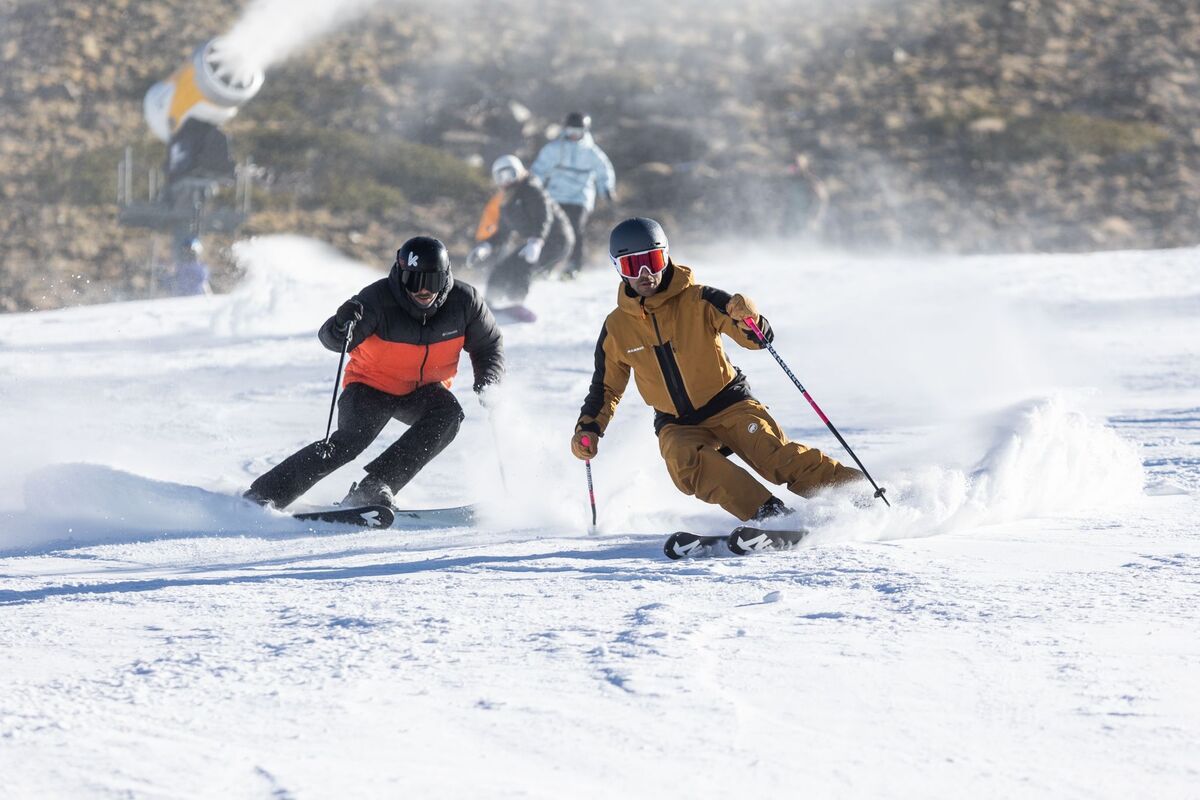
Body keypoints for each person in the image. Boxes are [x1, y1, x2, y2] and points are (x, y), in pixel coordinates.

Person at [570, 218, 862, 521]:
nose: (646, 274)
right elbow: (606, 387)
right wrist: (589, 428)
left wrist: (749, 319)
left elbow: (756, 339)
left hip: (729, 403)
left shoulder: (700, 299)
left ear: (666, 256)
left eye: (653, 261)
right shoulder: (617, 327)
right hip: (677, 422)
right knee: (686, 464)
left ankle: (856, 493)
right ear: (618, 268)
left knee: (774, 456)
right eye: (634, 266)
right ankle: (770, 516)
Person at [245, 236, 504, 510]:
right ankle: (265, 495)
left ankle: (375, 487)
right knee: (348, 443)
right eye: (414, 281)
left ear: (446, 277)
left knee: (448, 415)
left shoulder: (465, 303)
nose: (423, 291)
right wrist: (340, 324)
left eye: (432, 281)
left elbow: (489, 344)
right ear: (400, 275)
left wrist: (490, 380)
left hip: (422, 390)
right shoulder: (377, 300)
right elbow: (333, 341)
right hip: (369, 386)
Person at [469, 155, 574, 306]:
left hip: (556, 240)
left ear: (519, 171)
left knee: (521, 265)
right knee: (502, 269)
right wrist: (486, 246)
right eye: (501, 176)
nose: (506, 180)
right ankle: (490, 302)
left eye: (510, 174)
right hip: (537, 242)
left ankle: (516, 302)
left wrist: (537, 241)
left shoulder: (530, 188)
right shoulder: (506, 201)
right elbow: (504, 231)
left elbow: (544, 216)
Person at [530, 112, 616, 276]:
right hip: (556, 195)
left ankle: (573, 266)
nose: (574, 135)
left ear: (585, 131)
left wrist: (606, 189)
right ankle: (545, 266)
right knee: (552, 230)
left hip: (580, 197)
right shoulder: (554, 149)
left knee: (575, 228)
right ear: (565, 130)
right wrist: (533, 187)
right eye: (571, 131)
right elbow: (539, 169)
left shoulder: (592, 152)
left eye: (578, 132)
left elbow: (604, 170)